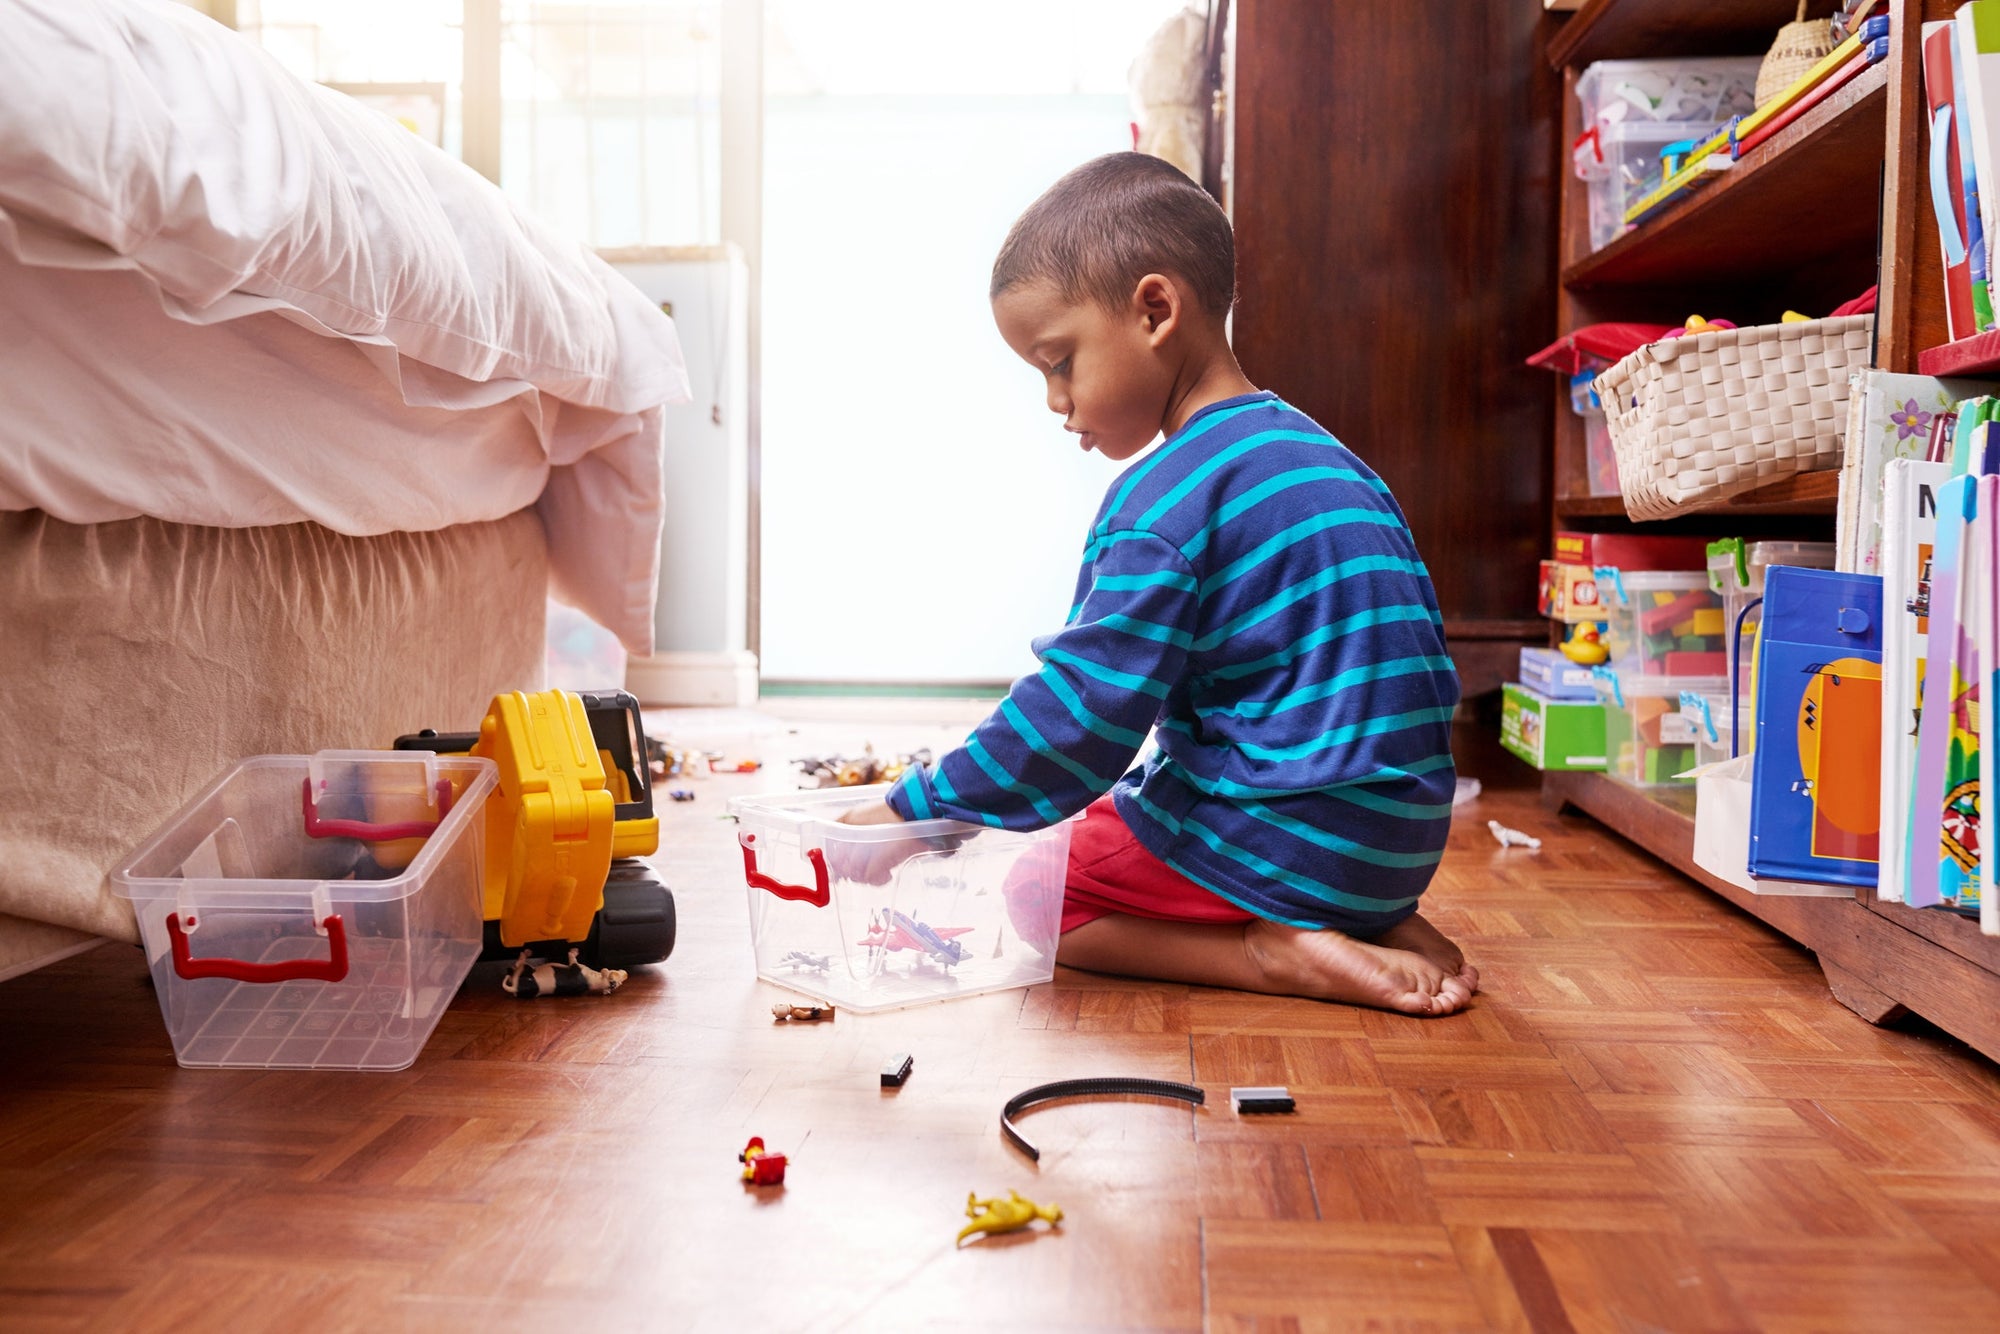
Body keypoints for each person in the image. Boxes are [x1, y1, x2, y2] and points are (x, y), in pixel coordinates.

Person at [841, 153, 1475, 1016]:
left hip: (1284, 843)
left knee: (1040, 892)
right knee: (1141, 802)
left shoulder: (1162, 501)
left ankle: (1272, 951)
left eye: (1058, 362)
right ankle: (1366, 920)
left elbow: (1081, 719)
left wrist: (919, 816)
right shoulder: (1335, 461)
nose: (1055, 400)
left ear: (1154, 310)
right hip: (1397, 841)